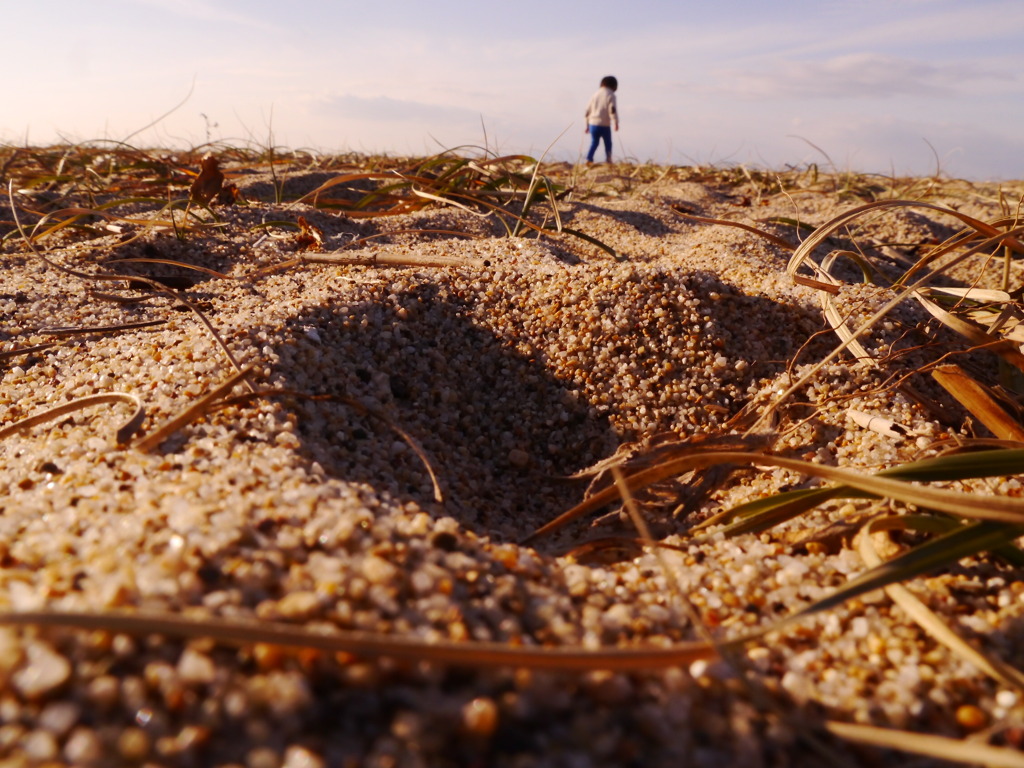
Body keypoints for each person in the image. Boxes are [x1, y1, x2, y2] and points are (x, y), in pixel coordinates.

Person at [584, 75, 619, 163]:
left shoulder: (595, 94)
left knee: (594, 142)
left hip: (592, 123)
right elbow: (612, 110)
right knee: (608, 143)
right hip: (604, 124)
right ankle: (608, 159)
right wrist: (616, 122)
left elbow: (587, 111)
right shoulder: (611, 95)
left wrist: (587, 125)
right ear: (614, 86)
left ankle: (589, 159)